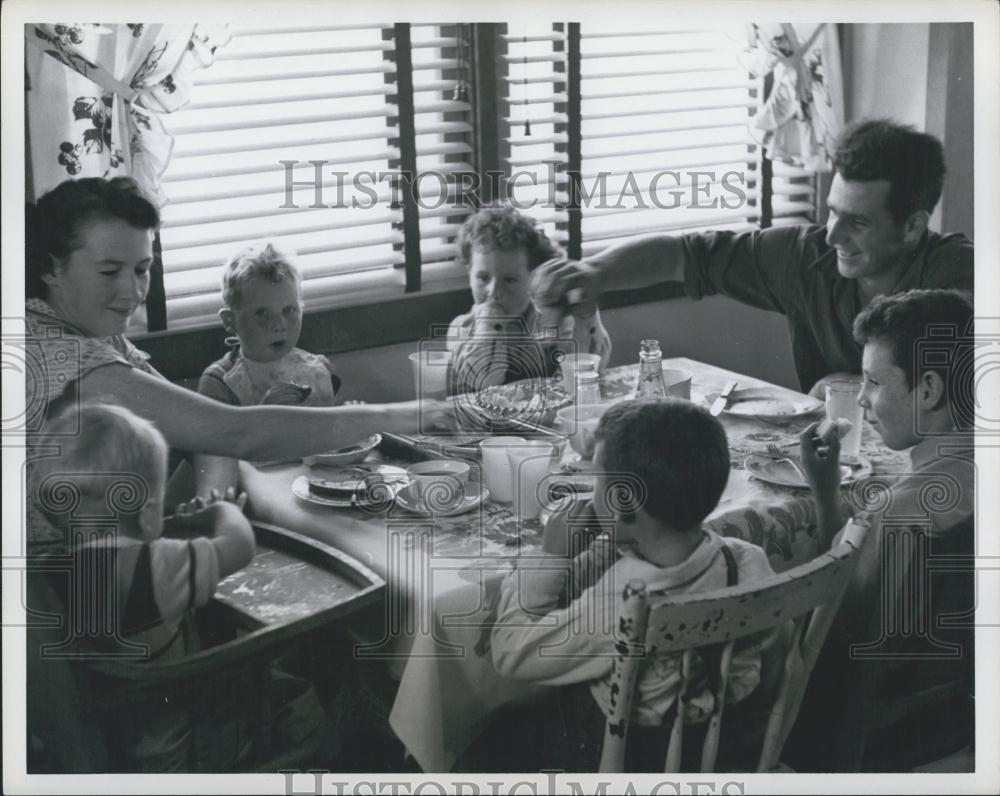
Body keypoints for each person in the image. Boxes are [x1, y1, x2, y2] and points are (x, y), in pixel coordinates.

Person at [23, 177, 454, 555]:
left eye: (142, 269)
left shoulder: (93, 332)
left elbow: (201, 431)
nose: (132, 291)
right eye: (109, 271)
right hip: (54, 588)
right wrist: (401, 413)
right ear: (51, 268)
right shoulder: (56, 355)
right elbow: (236, 430)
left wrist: (215, 499)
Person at [527, 119, 974, 394]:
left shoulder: (959, 274)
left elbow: (960, 383)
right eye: (832, 211)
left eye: (857, 222)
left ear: (913, 226)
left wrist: (844, 385)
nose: (832, 234)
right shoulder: (804, 256)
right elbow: (687, 257)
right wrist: (594, 273)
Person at [489, 399, 776, 771]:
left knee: (495, 733)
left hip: (628, 763)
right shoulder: (747, 559)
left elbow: (510, 652)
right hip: (715, 747)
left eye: (597, 482)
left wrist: (551, 555)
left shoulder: (621, 603)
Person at [789, 288, 975, 770]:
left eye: (873, 382)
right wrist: (833, 498)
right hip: (959, 713)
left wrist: (825, 501)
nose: (864, 401)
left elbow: (825, 637)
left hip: (873, 740)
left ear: (930, 390)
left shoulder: (895, 515)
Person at [447, 205, 611, 394]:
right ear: (469, 273)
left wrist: (585, 317)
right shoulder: (463, 328)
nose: (494, 292)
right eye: (483, 278)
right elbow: (487, 380)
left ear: (533, 279)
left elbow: (588, 369)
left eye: (509, 280)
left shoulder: (550, 319)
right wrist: (489, 322)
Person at [198, 240, 341, 407]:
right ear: (230, 321)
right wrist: (264, 413)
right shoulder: (218, 382)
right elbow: (220, 434)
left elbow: (332, 427)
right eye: (262, 313)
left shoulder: (317, 369)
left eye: (289, 310)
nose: (279, 324)